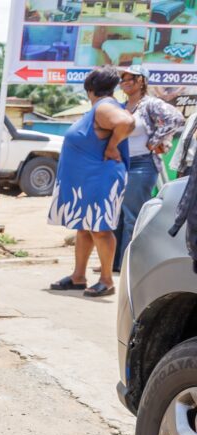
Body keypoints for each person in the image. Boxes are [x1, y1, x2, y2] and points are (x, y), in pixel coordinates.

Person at [48, 66, 134, 298]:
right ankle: (79, 276)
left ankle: (106, 280)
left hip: (101, 177)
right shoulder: (99, 107)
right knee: (84, 228)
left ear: (89, 88)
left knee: (100, 229)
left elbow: (126, 122)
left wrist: (113, 146)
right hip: (87, 179)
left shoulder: (104, 105)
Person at [114, 65, 183, 271]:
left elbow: (176, 118)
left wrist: (155, 140)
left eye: (130, 79)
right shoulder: (121, 106)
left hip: (142, 164)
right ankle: (114, 262)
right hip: (119, 164)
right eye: (123, 80)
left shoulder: (150, 104)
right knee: (116, 216)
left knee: (132, 215)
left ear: (141, 81)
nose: (125, 83)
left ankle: (129, 264)